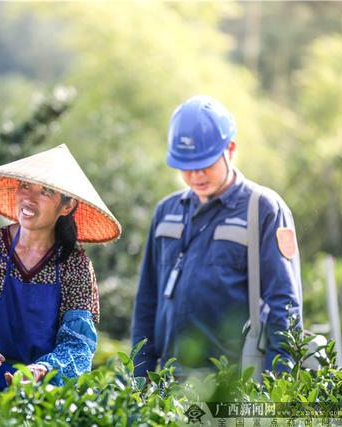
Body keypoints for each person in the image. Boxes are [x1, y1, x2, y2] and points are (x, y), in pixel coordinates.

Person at [131, 95, 303, 377]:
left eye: (205, 163)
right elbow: (146, 302)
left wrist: (277, 389)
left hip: (234, 385)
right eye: (187, 166)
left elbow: (285, 306)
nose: (196, 175)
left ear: (231, 149)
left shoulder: (262, 209)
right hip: (169, 385)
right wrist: (141, 377)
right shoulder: (166, 212)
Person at [0, 144, 121, 391]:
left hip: (40, 391)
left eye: (45, 192)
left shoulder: (75, 265)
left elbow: (78, 346)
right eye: (25, 186)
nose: (29, 198)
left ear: (66, 206)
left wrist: (42, 370)